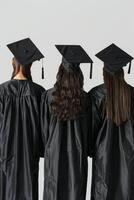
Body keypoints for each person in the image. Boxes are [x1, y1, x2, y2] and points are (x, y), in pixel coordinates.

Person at [41, 45, 93, 200]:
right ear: (79, 75)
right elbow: (89, 133)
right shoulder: (85, 99)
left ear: (60, 72)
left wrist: (49, 148)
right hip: (77, 157)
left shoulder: (48, 96)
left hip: (54, 155)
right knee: (75, 192)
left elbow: (44, 131)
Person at [0, 38, 45, 200]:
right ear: (30, 65)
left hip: (5, 151)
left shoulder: (2, 91)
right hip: (29, 150)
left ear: (13, 64)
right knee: (28, 188)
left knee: (6, 189)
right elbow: (44, 127)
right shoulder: (39, 92)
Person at [88, 43, 134, 200]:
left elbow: (91, 130)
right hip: (129, 159)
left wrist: (90, 149)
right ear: (122, 72)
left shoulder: (96, 95)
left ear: (104, 72)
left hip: (103, 158)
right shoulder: (132, 94)